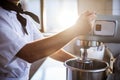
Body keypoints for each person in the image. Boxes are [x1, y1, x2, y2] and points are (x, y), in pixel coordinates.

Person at [0, 0, 96, 80]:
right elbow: (29, 53)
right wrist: (76, 30)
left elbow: (49, 50)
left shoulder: (24, 17)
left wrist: (80, 63)